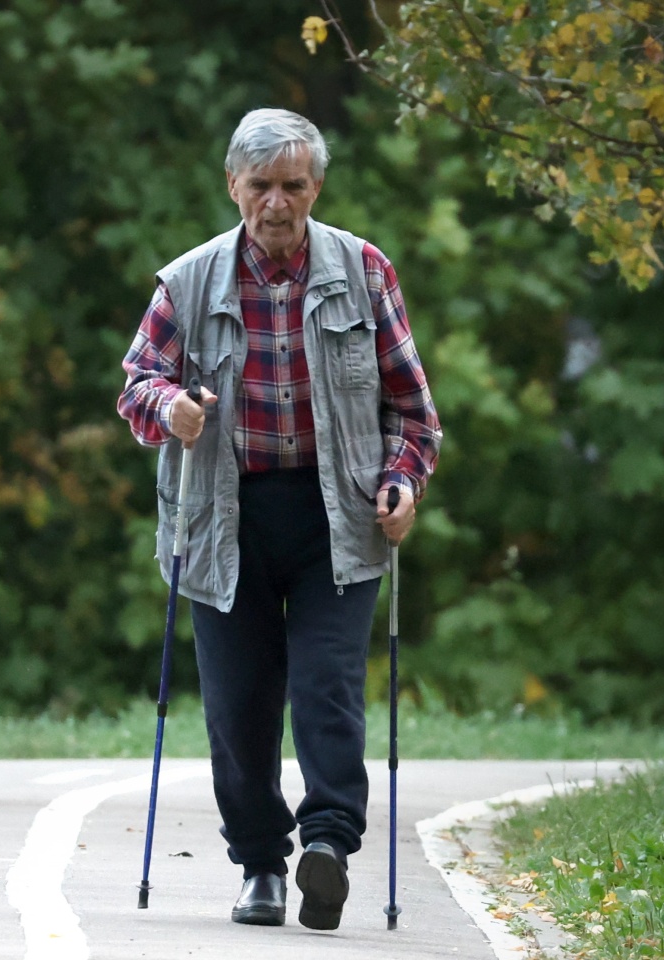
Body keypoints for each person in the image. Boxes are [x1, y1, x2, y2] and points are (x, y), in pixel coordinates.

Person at [116, 108, 441, 930]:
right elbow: (136, 385)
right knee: (238, 703)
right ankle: (260, 863)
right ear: (233, 186)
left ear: (315, 187)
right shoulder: (187, 282)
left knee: (328, 688)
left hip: (337, 510)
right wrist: (172, 410)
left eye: (292, 185)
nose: (275, 202)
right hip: (223, 516)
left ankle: (326, 843)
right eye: (259, 185)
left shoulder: (364, 271)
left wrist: (403, 481)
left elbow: (412, 411)